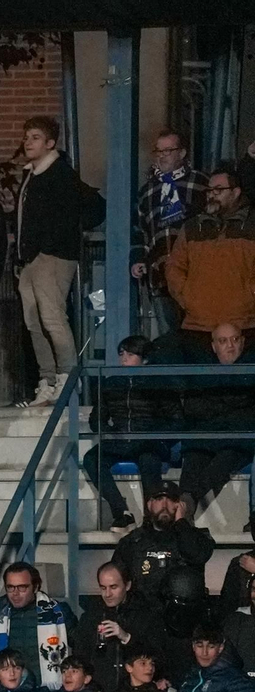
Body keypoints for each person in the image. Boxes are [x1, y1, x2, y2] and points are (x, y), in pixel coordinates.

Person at [14, 115, 104, 407]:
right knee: (34, 321)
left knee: (52, 317)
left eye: (35, 137)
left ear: (50, 143)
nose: (28, 142)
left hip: (52, 256)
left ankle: (67, 376)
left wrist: (54, 243)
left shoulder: (60, 174)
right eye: (27, 137)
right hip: (30, 258)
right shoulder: (32, 174)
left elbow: (92, 204)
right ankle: (48, 379)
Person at [82, 335, 174, 532]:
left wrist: (158, 437)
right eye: (122, 353)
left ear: (144, 359)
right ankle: (121, 513)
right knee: (92, 459)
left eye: (130, 354)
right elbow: (97, 418)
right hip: (120, 439)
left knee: (149, 460)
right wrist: (107, 433)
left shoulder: (158, 383)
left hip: (148, 441)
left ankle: (152, 519)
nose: (123, 358)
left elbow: (175, 419)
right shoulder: (111, 383)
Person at [178, 325, 255, 528]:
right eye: (223, 341)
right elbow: (194, 409)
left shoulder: (251, 369)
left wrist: (218, 411)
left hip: (238, 441)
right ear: (213, 346)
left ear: (243, 342)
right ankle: (183, 509)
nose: (230, 345)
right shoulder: (202, 372)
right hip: (209, 437)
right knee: (194, 456)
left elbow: (248, 415)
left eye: (235, 339)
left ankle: (187, 504)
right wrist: (232, 408)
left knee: (224, 460)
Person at [131, 130, 207, 334]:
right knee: (169, 334)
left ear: (182, 153)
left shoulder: (201, 183)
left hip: (195, 272)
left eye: (168, 150)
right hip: (160, 273)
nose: (162, 155)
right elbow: (141, 229)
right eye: (158, 150)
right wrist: (139, 258)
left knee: (199, 329)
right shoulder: (147, 191)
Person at [164, 162, 253, 337]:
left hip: (245, 324)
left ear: (235, 192)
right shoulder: (192, 227)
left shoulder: (252, 225)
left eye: (219, 190)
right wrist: (189, 298)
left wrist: (249, 298)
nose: (212, 195)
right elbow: (174, 266)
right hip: (197, 325)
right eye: (210, 190)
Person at [73, 561, 166, 692]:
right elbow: (80, 657)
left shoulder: (145, 615)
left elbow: (158, 654)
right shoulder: (91, 616)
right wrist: (92, 688)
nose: (108, 594)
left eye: (113, 587)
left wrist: (126, 638)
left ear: (127, 585)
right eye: (103, 588)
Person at [0, 562, 74, 689]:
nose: (15, 593)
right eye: (10, 587)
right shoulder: (2, 612)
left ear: (35, 587)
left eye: (22, 587)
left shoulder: (58, 611)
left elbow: (81, 647)